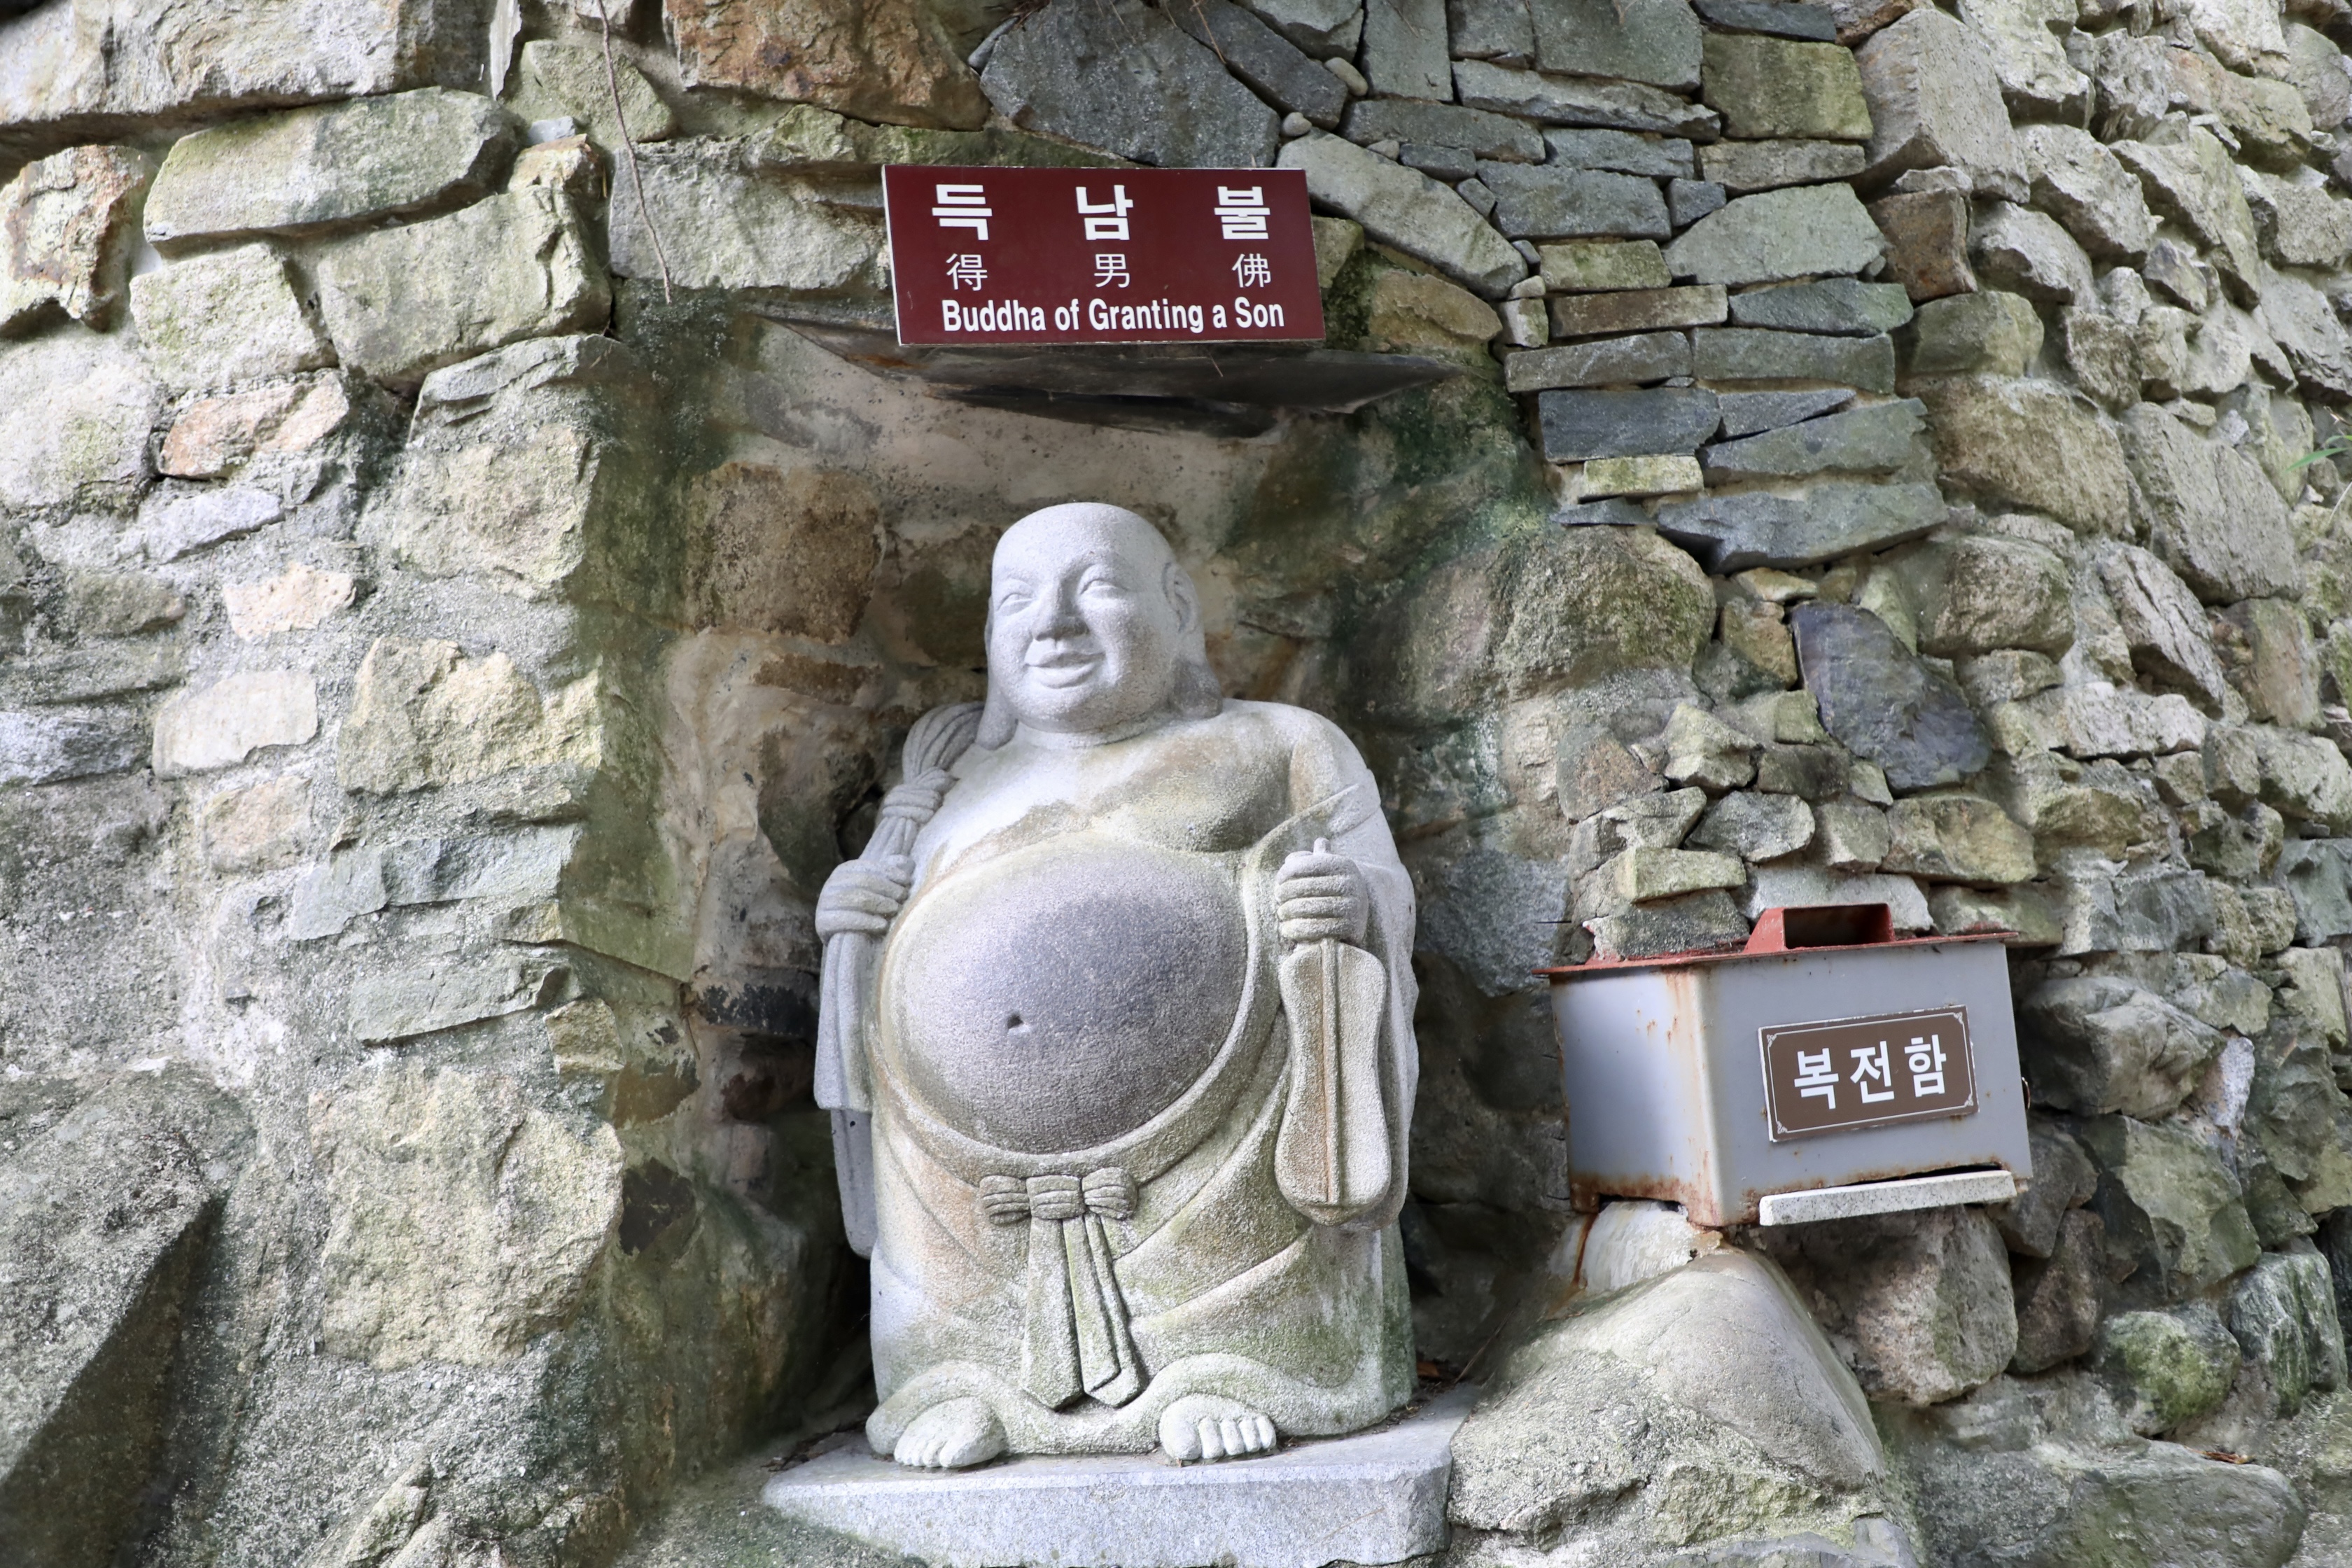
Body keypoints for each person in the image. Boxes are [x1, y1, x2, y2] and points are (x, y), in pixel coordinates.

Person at [816, 501, 1418, 1469]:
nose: (1053, 625)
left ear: (1176, 609)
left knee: (1238, 1258)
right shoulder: (952, 781)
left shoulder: (1280, 742)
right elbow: (886, 932)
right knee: (946, 1270)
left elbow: (1380, 885)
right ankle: (964, 1382)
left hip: (1227, 1134)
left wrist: (1349, 902)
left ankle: (1232, 1369)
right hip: (953, 1162)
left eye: (1094, 588)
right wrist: (853, 924)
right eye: (1018, 601)